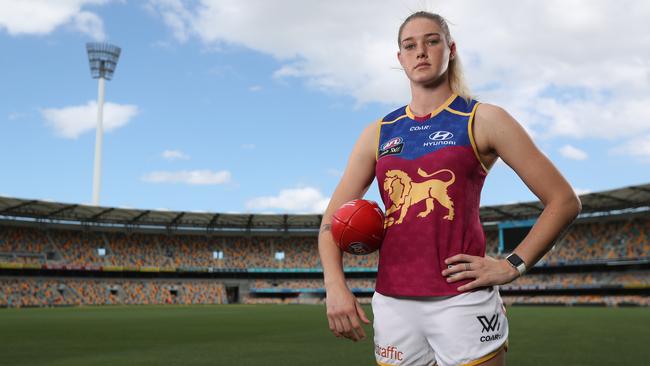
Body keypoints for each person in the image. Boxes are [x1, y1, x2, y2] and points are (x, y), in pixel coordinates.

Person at [318, 11, 581, 366]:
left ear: (450, 49)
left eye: (431, 41)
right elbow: (330, 222)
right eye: (409, 46)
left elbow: (563, 201)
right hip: (393, 303)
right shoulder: (379, 132)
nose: (421, 52)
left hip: (462, 298)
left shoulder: (483, 119)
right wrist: (335, 286)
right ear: (400, 59)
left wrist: (512, 265)